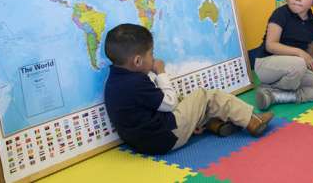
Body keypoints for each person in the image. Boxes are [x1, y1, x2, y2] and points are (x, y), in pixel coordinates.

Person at [103, 23, 274, 155]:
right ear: (138, 61)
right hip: (165, 138)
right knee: (206, 96)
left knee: (186, 101)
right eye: (151, 54)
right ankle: (251, 121)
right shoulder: (136, 83)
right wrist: (161, 72)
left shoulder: (114, 81)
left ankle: (214, 125)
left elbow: (150, 107)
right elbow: (169, 104)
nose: (153, 57)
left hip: (141, 143)